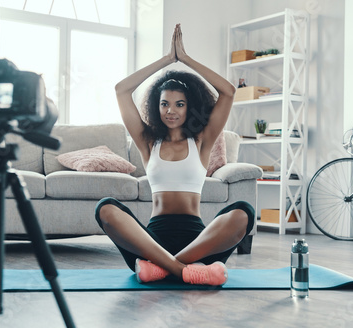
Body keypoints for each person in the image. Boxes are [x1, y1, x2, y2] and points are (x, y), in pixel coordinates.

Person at [95, 24, 255, 286]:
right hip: (151, 241)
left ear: (189, 107)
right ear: (155, 106)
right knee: (106, 208)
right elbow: (121, 90)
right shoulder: (148, 141)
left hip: (197, 241)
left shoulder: (201, 141)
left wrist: (186, 59)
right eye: (165, 103)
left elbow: (228, 91)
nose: (171, 110)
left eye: (179, 104)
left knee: (243, 212)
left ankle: (162, 268)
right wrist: (167, 60)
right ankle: (184, 270)